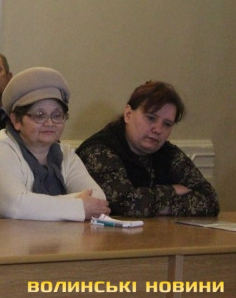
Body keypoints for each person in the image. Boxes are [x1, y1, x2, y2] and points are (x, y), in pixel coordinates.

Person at [0, 67, 109, 222]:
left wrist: (34, 203)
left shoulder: (65, 154)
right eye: (39, 115)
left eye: (57, 115)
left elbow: (97, 199)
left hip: (44, 235)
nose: (50, 123)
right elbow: (13, 206)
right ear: (16, 120)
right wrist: (79, 205)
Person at [76, 81, 219, 218]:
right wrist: (173, 190)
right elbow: (126, 203)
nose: (158, 129)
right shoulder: (98, 151)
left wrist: (153, 204)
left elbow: (210, 201)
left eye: (167, 124)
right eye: (151, 118)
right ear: (128, 114)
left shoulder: (169, 153)